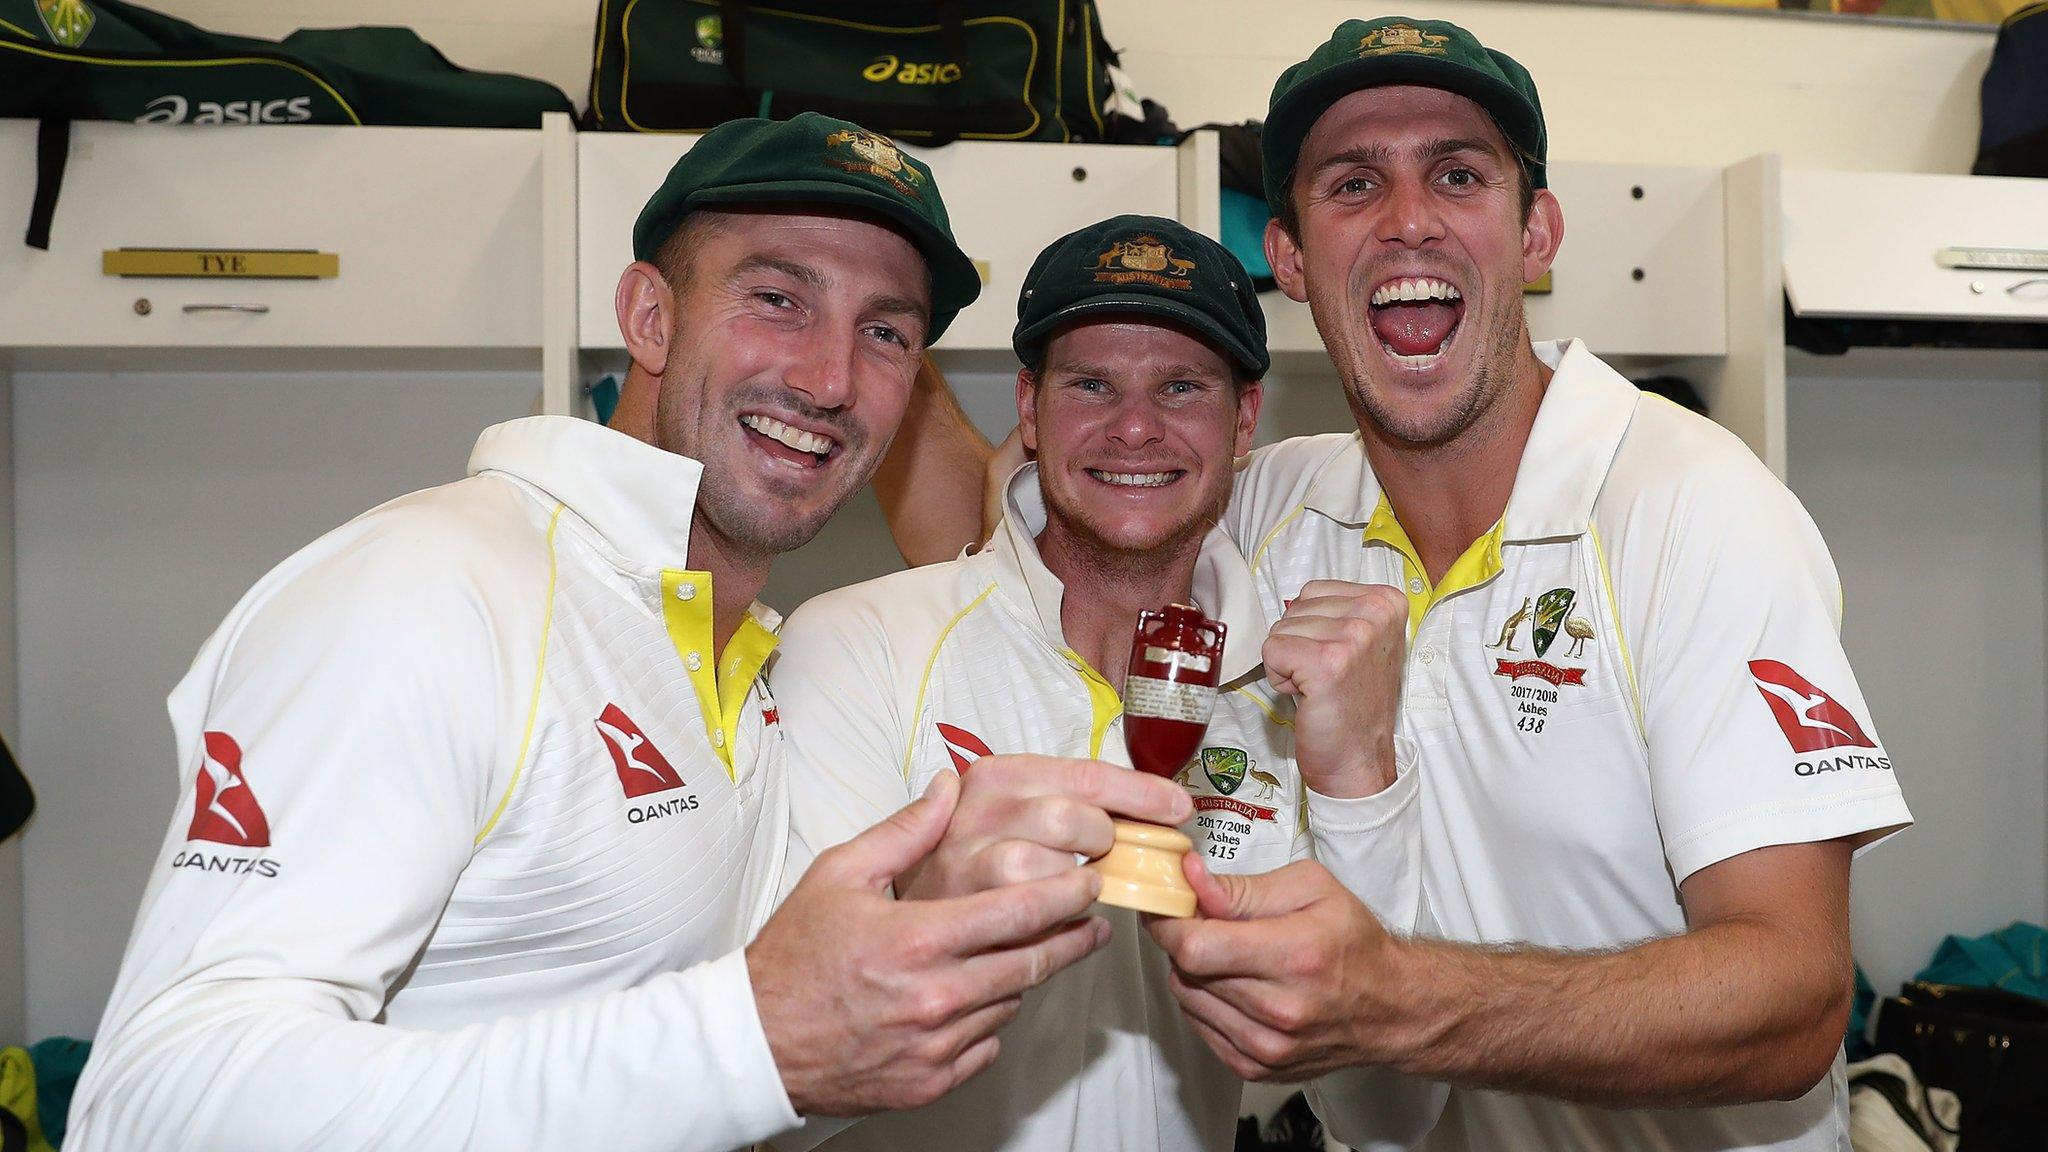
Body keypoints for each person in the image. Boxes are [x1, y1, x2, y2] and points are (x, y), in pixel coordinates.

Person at [67, 113, 1115, 1152]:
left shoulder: (739, 656)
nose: (828, 380)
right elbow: (159, 1106)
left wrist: (897, 972)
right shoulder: (430, 588)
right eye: (775, 299)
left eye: (884, 332)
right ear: (649, 318)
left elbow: (700, 1082)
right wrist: (752, 1041)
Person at [1137, 18, 1915, 1152]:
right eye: (1352, 183)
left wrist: (1394, 999)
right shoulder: (1272, 509)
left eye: (1457, 174)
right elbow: (1053, 509)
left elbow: (1792, 1001)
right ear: (1290, 259)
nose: (1408, 218)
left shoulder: (1687, 505)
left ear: (1534, 233)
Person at [768, 215, 1420, 1152]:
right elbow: (789, 1103)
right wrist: (934, 917)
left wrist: (1361, 776)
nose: (1137, 428)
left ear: (1244, 420)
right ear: (1030, 410)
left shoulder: (1301, 692)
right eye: (1091, 385)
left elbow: (1385, 1120)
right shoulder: (860, 645)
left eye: (1183, 386)